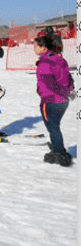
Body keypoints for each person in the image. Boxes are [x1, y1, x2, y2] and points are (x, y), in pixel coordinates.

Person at [34, 35, 75, 167]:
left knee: (53, 127)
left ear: (43, 47)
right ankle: (57, 145)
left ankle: (58, 152)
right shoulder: (59, 59)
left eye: (35, 46)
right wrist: (69, 92)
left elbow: (51, 83)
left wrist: (61, 94)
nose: (33, 49)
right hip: (63, 101)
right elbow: (68, 78)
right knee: (54, 127)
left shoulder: (45, 63)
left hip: (51, 100)